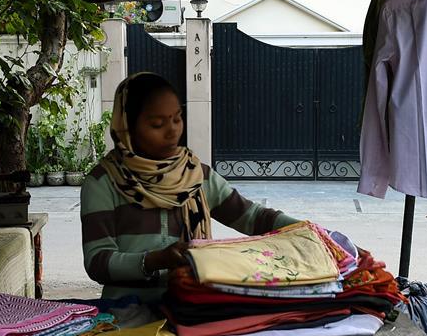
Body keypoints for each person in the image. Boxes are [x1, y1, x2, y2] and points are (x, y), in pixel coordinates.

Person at [80, 72, 300, 302]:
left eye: (177, 118)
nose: (172, 131)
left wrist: (304, 230)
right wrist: (154, 260)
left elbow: (252, 217)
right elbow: (97, 261)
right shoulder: (103, 182)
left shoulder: (195, 175)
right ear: (127, 127)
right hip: (127, 313)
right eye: (157, 124)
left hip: (193, 308)